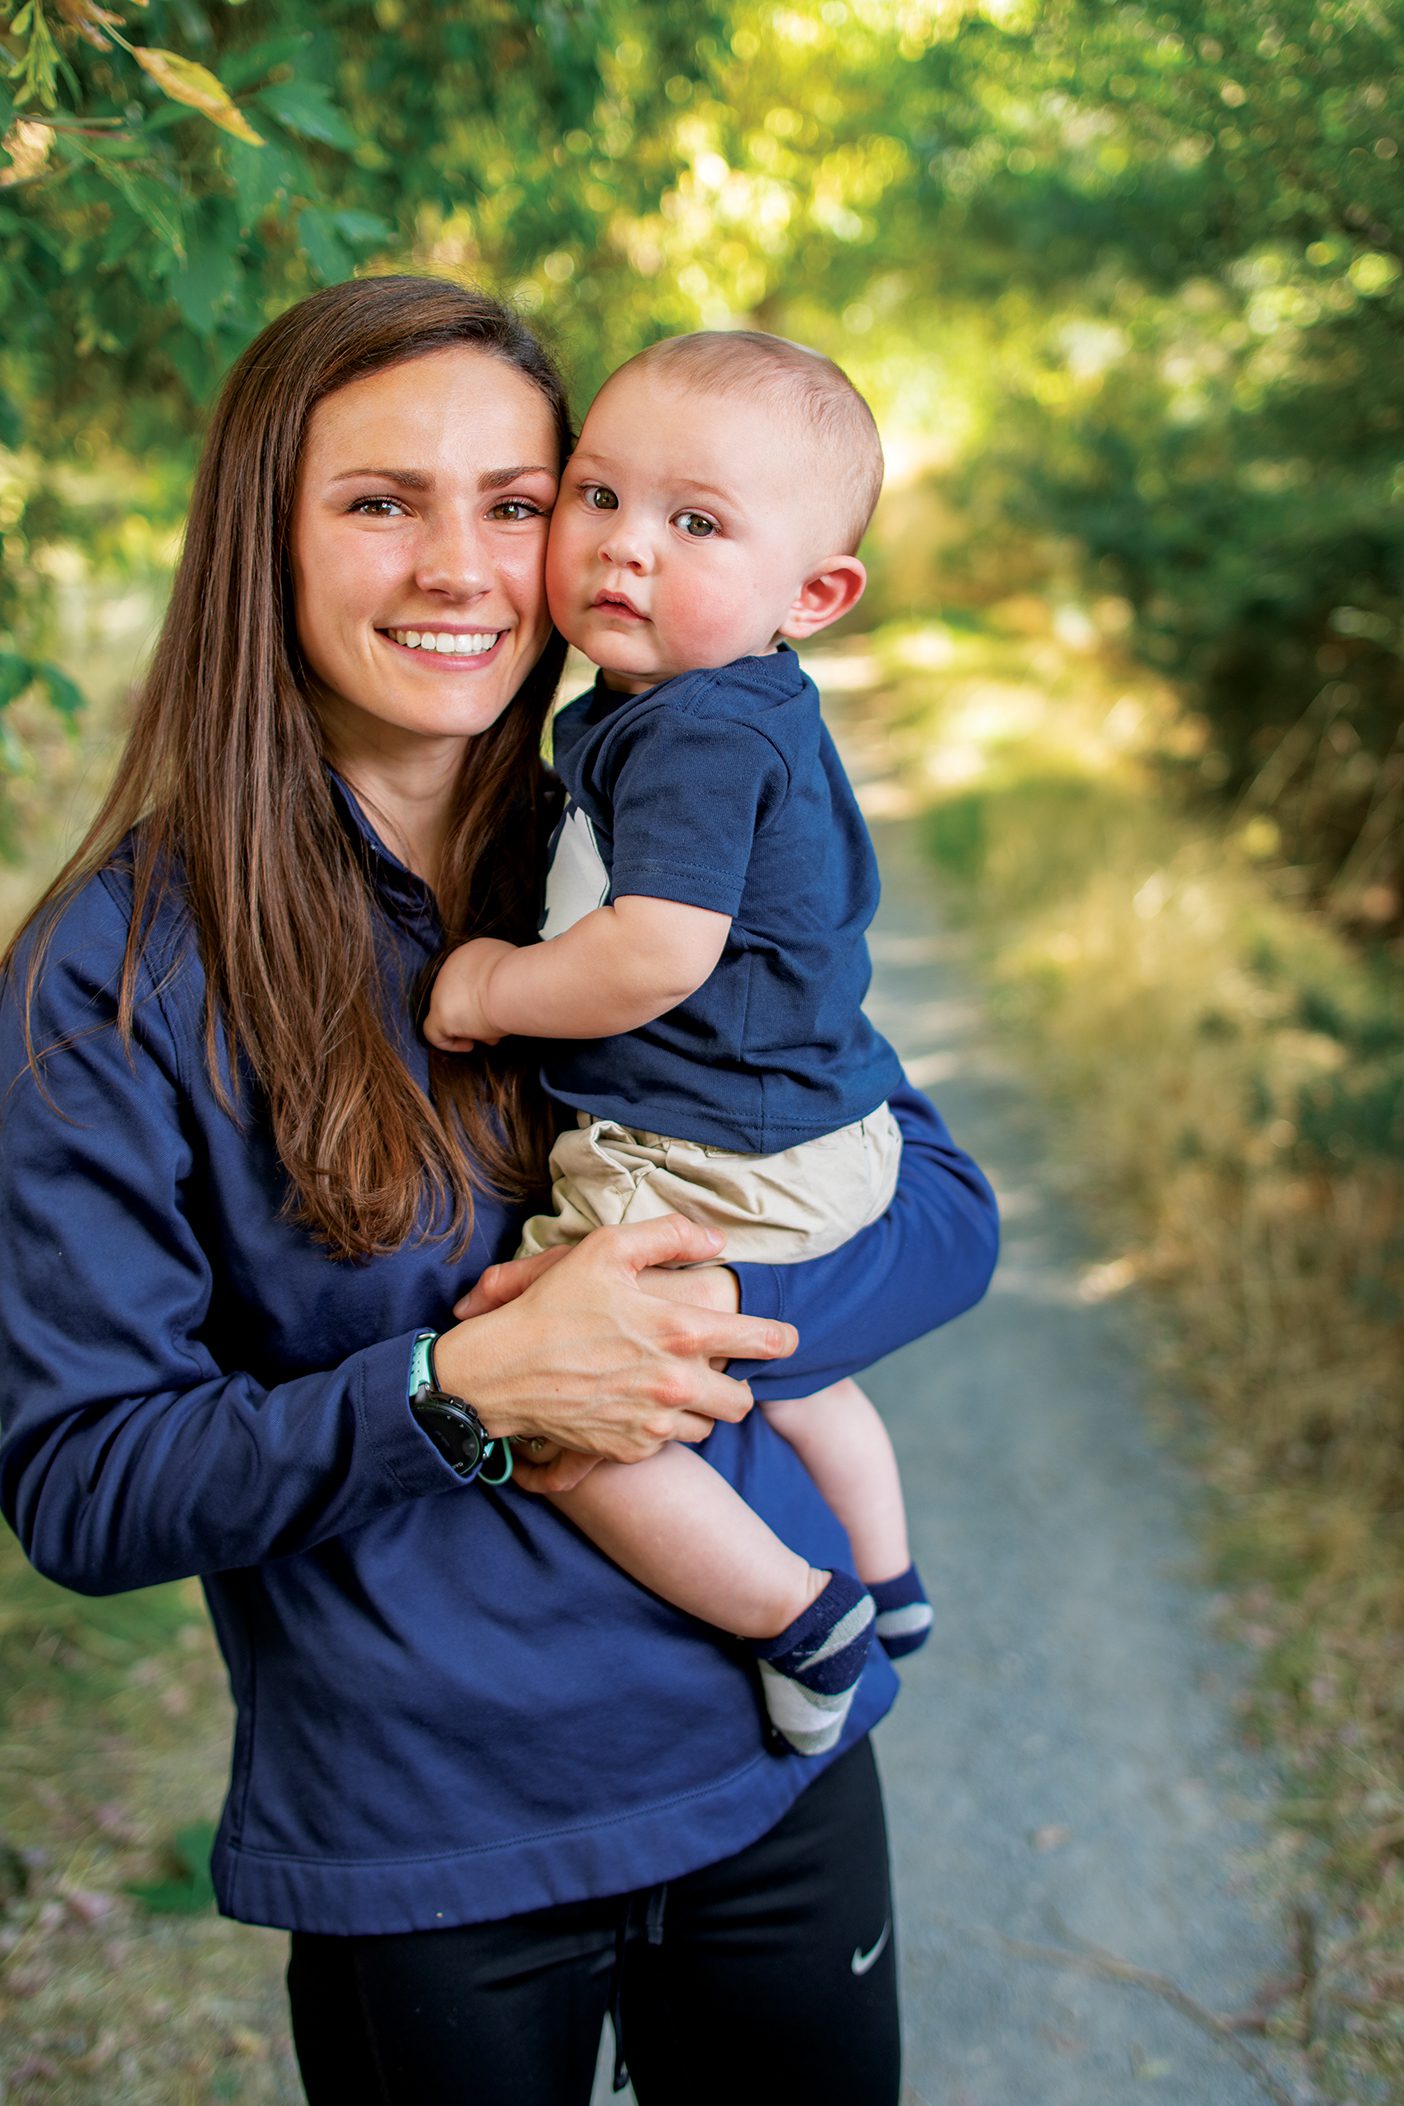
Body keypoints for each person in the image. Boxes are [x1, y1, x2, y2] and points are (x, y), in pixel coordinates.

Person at [0, 276, 998, 2106]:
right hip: (432, 1843)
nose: (462, 565)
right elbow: (85, 1483)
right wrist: (458, 1396)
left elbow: (939, 1204)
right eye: (381, 501)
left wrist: (677, 1331)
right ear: (263, 539)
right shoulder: (116, 969)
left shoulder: (647, 832)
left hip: (764, 1767)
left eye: (517, 501)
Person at [425, 331, 932, 1761]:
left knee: (559, 1400)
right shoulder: (701, 703)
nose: (625, 550)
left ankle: (801, 1611)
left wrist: (491, 988)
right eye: (596, 497)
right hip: (811, 1132)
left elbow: (654, 951)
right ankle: (894, 1585)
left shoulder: (698, 730)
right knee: (805, 1373)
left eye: (695, 523)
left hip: (717, 1151)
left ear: (815, 594)